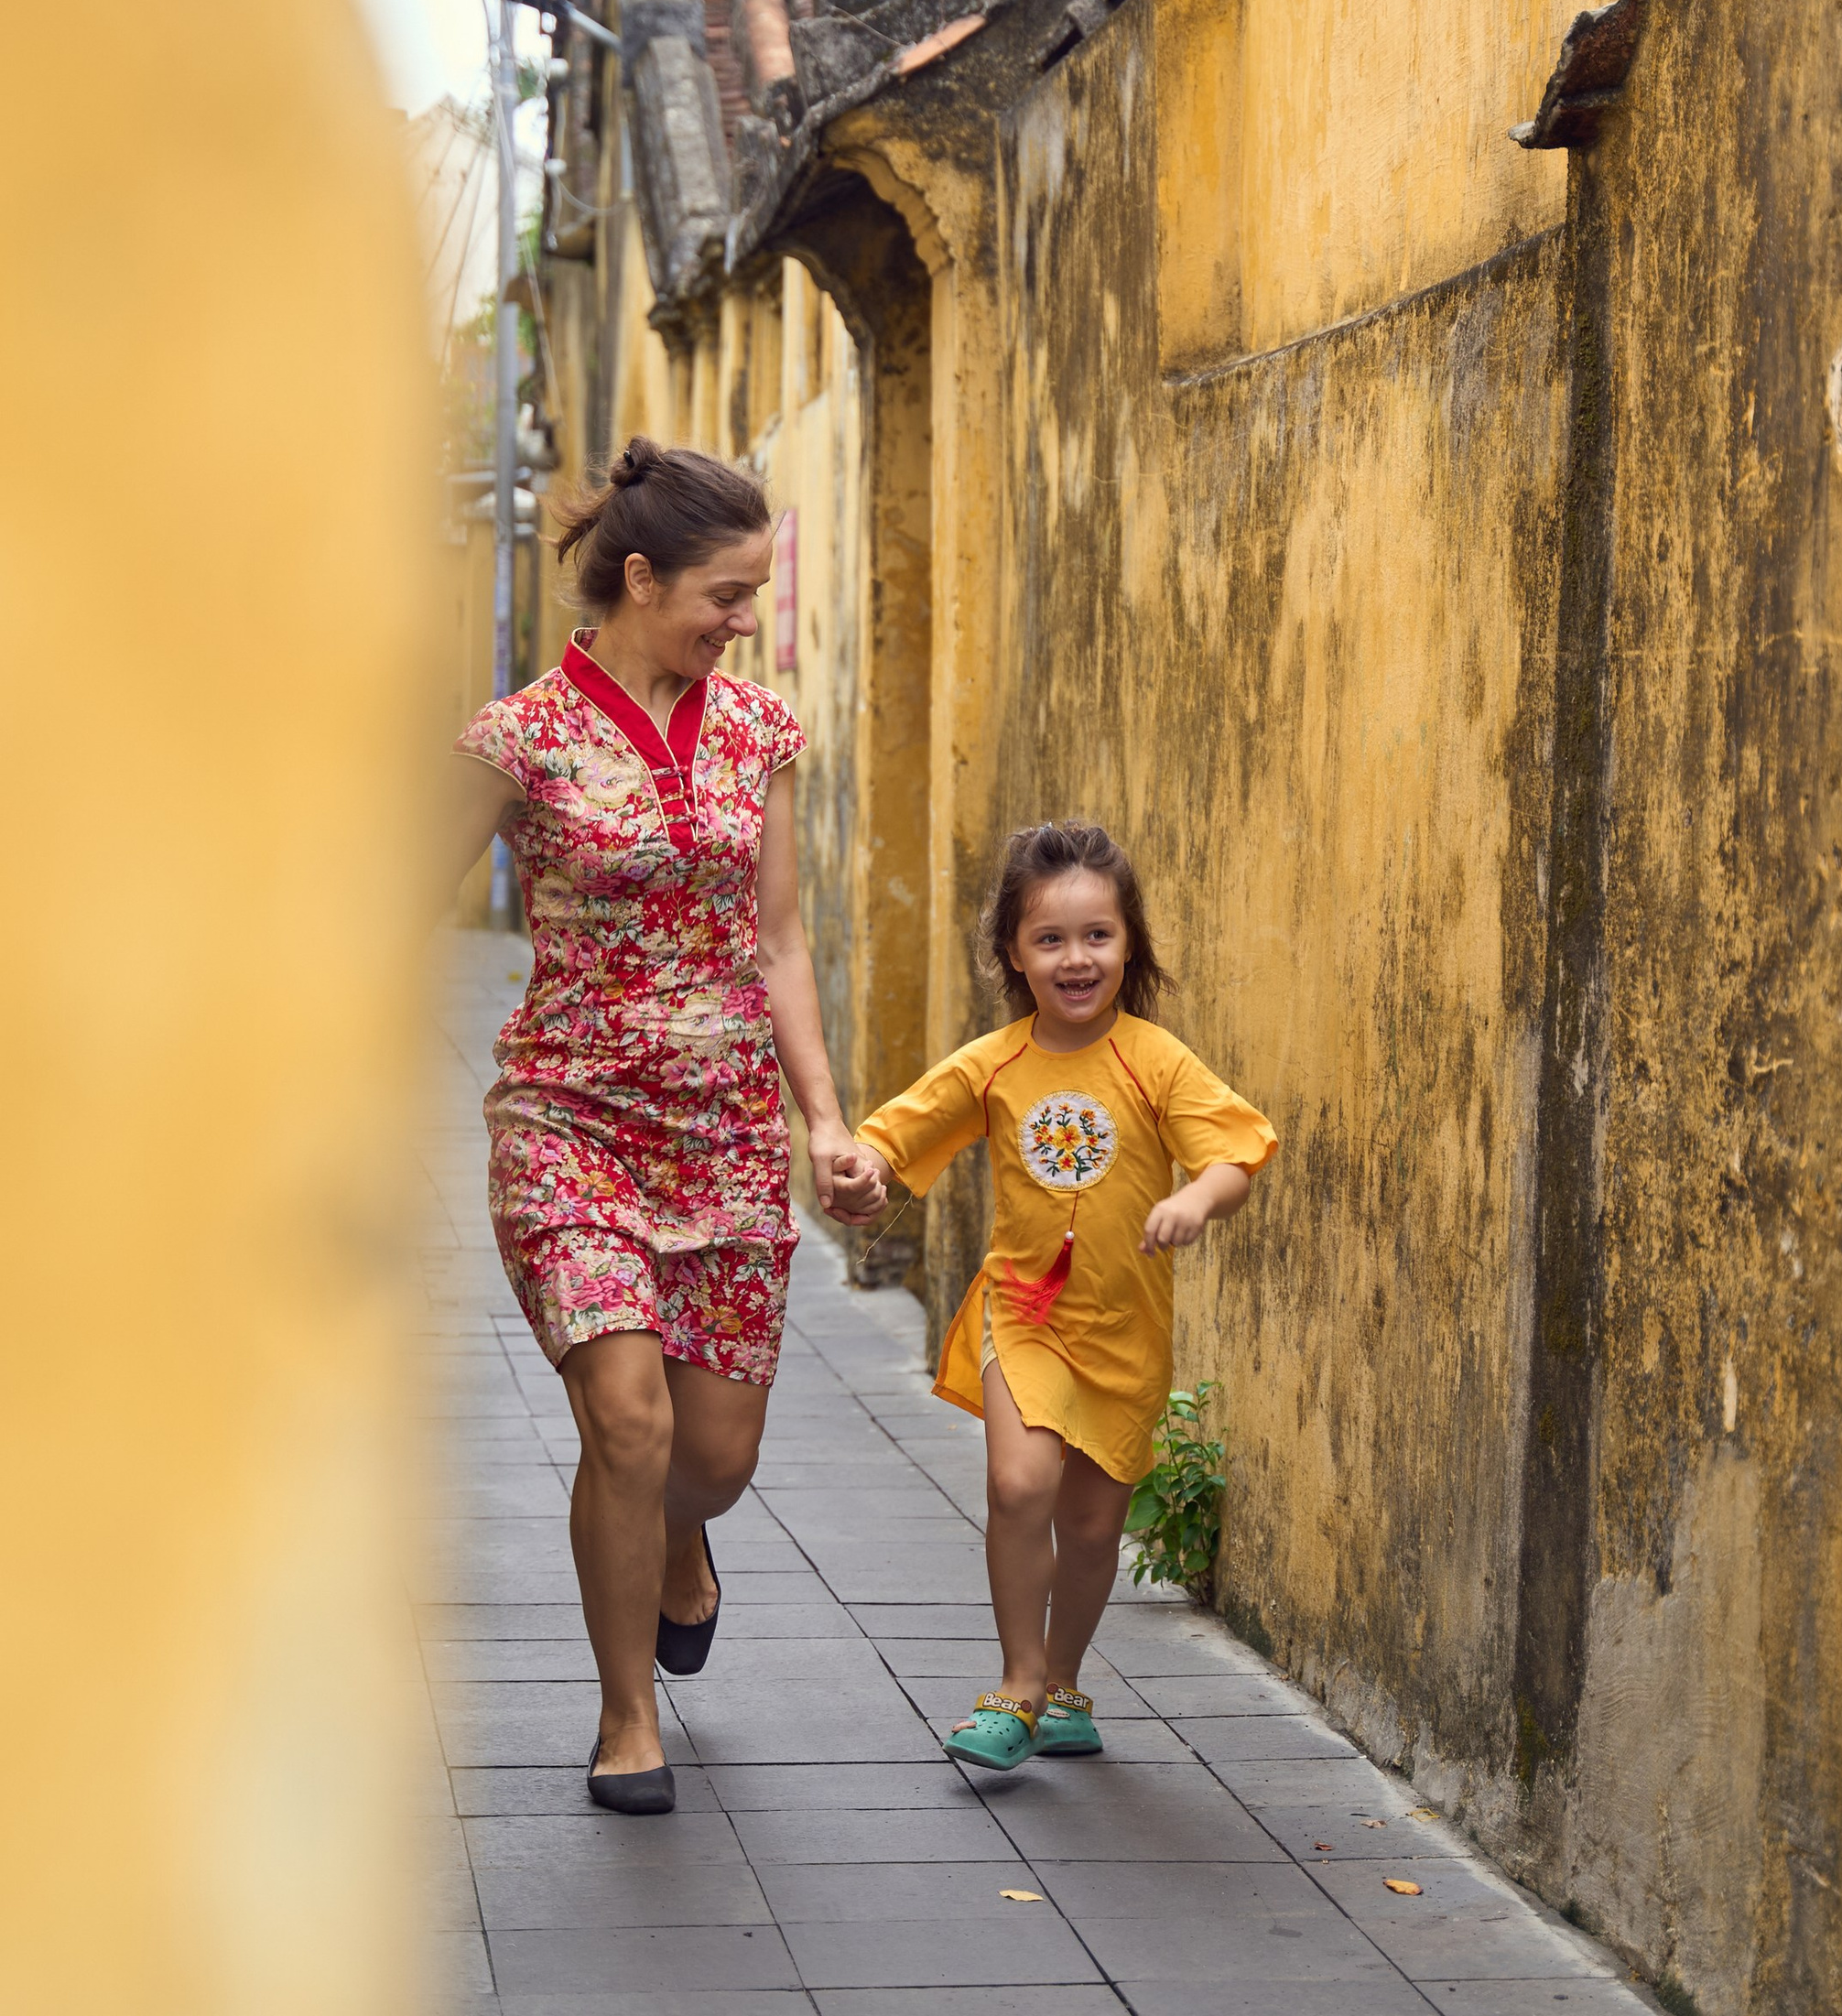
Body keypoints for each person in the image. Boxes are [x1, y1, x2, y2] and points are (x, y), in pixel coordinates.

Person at [446, 437, 881, 1814]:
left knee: (711, 1463)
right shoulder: (518, 740)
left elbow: (780, 940)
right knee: (627, 1423)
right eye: (727, 594)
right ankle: (626, 1716)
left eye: (753, 595)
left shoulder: (758, 733)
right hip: (567, 1120)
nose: (744, 620)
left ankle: (685, 1542)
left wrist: (825, 1122)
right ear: (641, 580)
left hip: (726, 1132)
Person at [851, 820, 1277, 1769]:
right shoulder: (994, 1063)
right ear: (1014, 952)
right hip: (1025, 1316)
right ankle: (1015, 1686)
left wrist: (1196, 1199)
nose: (1075, 958)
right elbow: (896, 1132)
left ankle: (1063, 1686)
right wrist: (861, 1170)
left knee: (1090, 1532)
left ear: (1128, 944)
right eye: (1050, 939)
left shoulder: (1156, 1060)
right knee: (1019, 1486)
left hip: (1125, 1332)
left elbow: (1233, 1154)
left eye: (1097, 936)